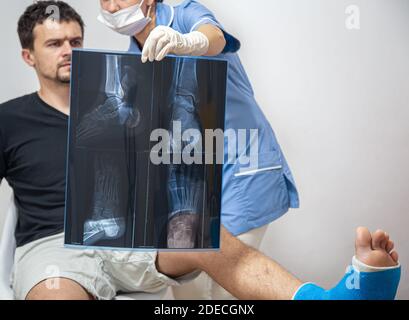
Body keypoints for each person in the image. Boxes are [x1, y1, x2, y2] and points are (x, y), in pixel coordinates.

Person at [0, 1, 401, 300]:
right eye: (54, 44)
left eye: (75, 41)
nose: (68, 50)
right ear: (28, 56)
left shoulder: (126, 84)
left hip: (137, 231)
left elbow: (214, 39)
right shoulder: (11, 119)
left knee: (205, 239)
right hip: (57, 247)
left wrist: (186, 42)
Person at [97, 0, 300, 299]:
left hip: (240, 166)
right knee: (186, 288)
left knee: (226, 286)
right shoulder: (129, 63)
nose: (113, 5)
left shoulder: (186, 15)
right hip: (190, 181)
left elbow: (214, 37)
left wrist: (188, 42)